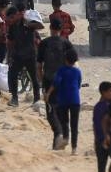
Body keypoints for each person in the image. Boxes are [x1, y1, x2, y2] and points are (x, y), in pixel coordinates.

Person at [37, 17, 73, 147]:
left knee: (51, 110)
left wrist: (41, 82)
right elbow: (73, 65)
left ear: (50, 28)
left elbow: (39, 66)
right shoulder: (66, 43)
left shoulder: (44, 43)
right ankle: (65, 137)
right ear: (61, 29)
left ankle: (58, 134)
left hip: (49, 81)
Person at [47, 49, 82, 154]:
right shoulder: (77, 71)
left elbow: (56, 83)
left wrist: (48, 93)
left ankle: (66, 138)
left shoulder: (61, 70)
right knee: (74, 124)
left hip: (63, 100)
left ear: (65, 60)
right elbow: (79, 84)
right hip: (75, 100)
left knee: (64, 121)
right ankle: (74, 149)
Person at [7, 8, 41, 106]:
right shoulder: (12, 26)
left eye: (11, 18)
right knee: (12, 75)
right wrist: (9, 56)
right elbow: (10, 42)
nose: (10, 20)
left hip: (30, 55)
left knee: (34, 77)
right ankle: (14, 98)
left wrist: (29, 24)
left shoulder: (27, 21)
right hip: (18, 55)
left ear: (15, 15)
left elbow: (40, 26)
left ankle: (37, 98)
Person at [92, 82, 111, 172]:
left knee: (104, 164)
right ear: (103, 93)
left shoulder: (98, 106)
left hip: (101, 139)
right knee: (105, 164)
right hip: (107, 139)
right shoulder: (107, 106)